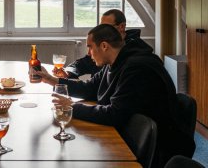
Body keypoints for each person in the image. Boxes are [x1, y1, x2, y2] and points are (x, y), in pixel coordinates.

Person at [35, 24, 195, 167]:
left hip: (156, 146)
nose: (89, 53)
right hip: (131, 132)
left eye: (90, 47)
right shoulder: (115, 61)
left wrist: (71, 107)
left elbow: (114, 114)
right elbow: (89, 88)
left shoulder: (137, 68)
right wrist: (52, 80)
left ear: (104, 46)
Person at [54, 9, 141, 79]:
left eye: (107, 27)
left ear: (121, 27)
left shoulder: (133, 53)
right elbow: (82, 63)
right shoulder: (101, 46)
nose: (102, 30)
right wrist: (68, 72)